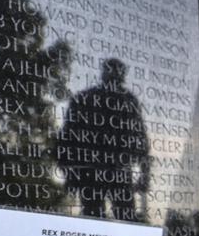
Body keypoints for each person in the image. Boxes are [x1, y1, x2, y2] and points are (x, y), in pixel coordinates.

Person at [57, 58, 150, 221]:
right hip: (90, 171)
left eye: (118, 71)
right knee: (93, 216)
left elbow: (140, 138)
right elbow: (68, 136)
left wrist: (145, 172)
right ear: (104, 73)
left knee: (125, 218)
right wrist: (69, 171)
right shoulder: (84, 98)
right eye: (111, 70)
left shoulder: (129, 101)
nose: (114, 74)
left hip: (119, 170)